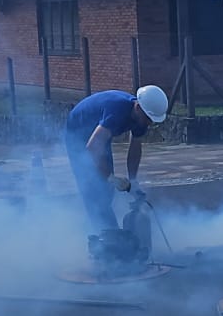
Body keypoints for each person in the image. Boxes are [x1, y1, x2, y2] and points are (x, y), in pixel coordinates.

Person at [63, 85, 169, 232]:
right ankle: (103, 237)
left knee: (105, 190)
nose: (149, 123)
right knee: (94, 190)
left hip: (99, 135)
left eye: (151, 120)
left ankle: (109, 234)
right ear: (138, 107)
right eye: (148, 119)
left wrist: (133, 180)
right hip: (78, 132)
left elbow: (135, 148)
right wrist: (111, 178)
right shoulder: (117, 111)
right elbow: (93, 147)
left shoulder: (142, 118)